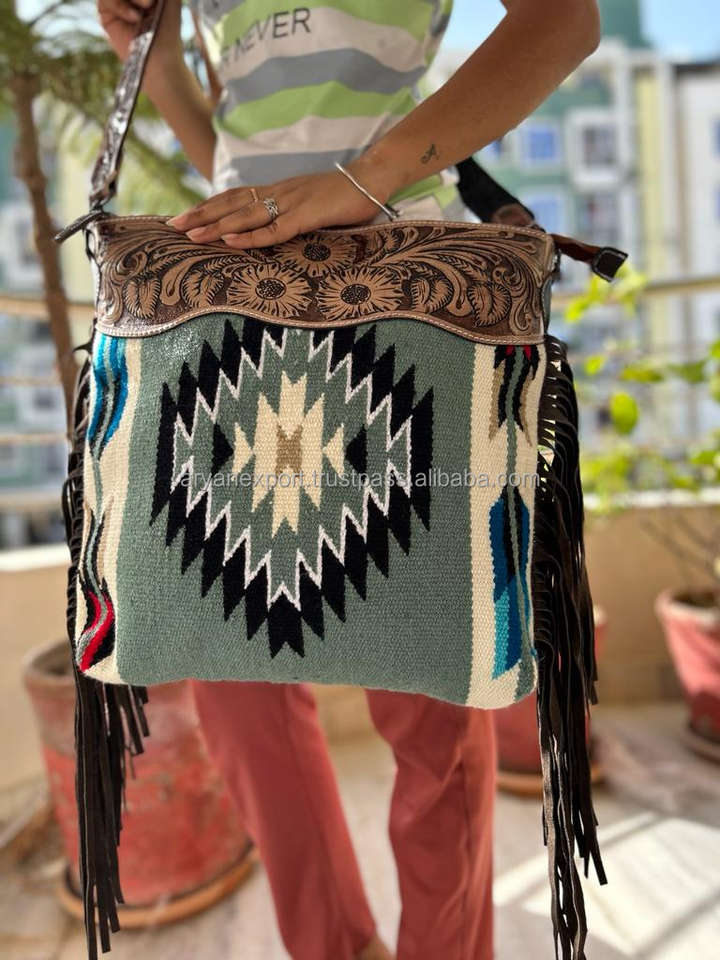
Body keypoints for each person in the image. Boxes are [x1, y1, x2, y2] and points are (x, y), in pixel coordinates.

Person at [95, 1, 601, 958]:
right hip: (231, 303)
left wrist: (361, 180)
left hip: (406, 295)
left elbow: (564, 20)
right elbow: (239, 154)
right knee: (236, 697)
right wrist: (151, 61)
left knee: (435, 691)